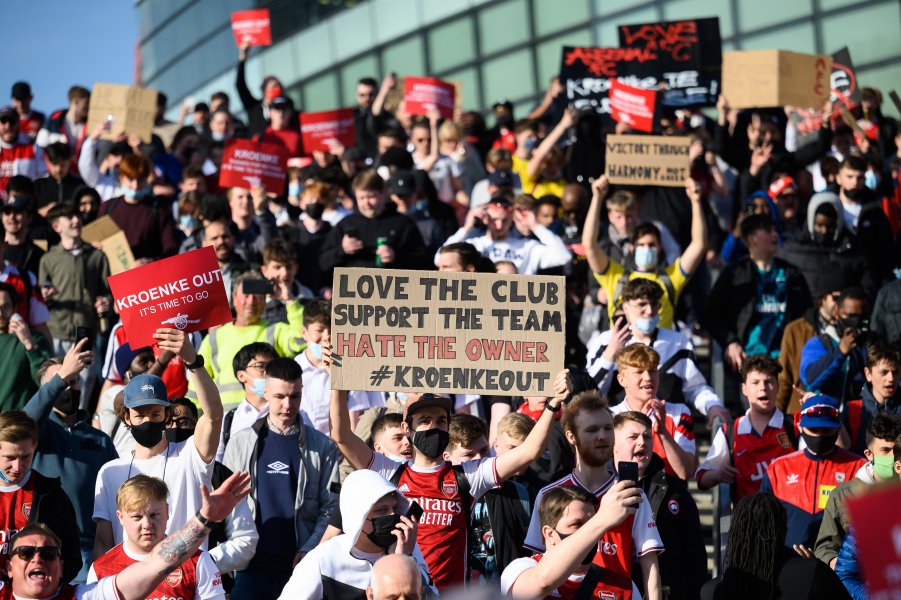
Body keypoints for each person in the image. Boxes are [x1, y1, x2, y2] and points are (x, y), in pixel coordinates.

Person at [330, 332, 572, 590]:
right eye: (424, 421)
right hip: (403, 593)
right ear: (407, 427)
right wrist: (339, 381)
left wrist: (552, 406)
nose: (434, 427)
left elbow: (529, 451)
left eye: (441, 421)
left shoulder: (468, 476)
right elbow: (341, 436)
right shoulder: (389, 471)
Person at [0, 470, 250, 600]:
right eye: (25, 552)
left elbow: (157, 563)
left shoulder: (86, 596)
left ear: (61, 565)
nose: (37, 559)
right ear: (9, 567)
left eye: (48, 553)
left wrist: (204, 519)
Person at [92, 328, 223, 559]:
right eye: (140, 414)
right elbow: (103, 544)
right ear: (127, 417)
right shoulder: (109, 472)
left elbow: (213, 415)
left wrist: (192, 359)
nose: (148, 420)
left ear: (167, 415)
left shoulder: (190, 456)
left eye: (155, 413)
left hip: (184, 582)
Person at [523, 391, 664, 600]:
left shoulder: (631, 493)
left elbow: (650, 567)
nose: (602, 436)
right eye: (592, 430)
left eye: (608, 428)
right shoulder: (549, 494)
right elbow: (535, 562)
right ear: (571, 436)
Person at [223, 358, 340, 599]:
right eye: (279, 397)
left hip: (301, 568)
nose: (288, 405)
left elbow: (331, 506)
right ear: (265, 391)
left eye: (295, 396)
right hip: (250, 568)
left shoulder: (323, 446)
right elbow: (227, 503)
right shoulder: (240, 442)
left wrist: (311, 548)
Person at [24, 344, 118, 582]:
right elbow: (22, 426)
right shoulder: (37, 433)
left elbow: (118, 494)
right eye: (60, 382)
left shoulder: (100, 439)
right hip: (39, 548)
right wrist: (63, 374)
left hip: (89, 552)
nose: (68, 387)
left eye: (73, 382)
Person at [703, 213, 812, 409]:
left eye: (775, 230)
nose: (775, 234)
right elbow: (710, 313)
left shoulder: (791, 274)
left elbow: (807, 316)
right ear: (752, 239)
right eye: (768, 230)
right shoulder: (734, 274)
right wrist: (729, 341)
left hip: (782, 365)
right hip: (747, 366)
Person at [586, 278, 730, 425]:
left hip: (669, 427)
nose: (649, 311)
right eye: (641, 304)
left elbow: (695, 387)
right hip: (621, 430)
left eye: (654, 304)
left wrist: (712, 405)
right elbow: (588, 393)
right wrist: (609, 355)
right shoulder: (604, 341)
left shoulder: (679, 342)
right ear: (625, 308)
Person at [278, 469, 432, 599]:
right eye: (382, 510)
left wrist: (402, 560)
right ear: (358, 516)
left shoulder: (406, 545)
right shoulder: (323, 560)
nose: (392, 515)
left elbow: (432, 595)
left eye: (395, 508)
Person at [583, 175, 707, 329]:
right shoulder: (615, 278)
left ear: (660, 247)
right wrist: (597, 198)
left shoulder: (671, 278)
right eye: (642, 244)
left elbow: (699, 244)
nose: (647, 248)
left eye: (651, 244)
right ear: (633, 247)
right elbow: (589, 245)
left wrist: (695, 201)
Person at [613, 411, 707, 600]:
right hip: (613, 590)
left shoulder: (674, 489)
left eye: (647, 437)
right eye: (633, 437)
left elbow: (694, 553)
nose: (642, 443)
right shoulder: (600, 487)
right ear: (613, 444)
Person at [88, 475, 225, 599]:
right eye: (137, 517)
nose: (147, 524)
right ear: (121, 517)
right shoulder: (100, 568)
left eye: (154, 515)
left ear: (167, 511)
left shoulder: (198, 560)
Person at [759, 394, 867, 550]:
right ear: (800, 426)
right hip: (789, 563)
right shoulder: (778, 469)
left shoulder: (859, 468)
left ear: (838, 429)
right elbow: (763, 523)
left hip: (838, 566)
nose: (819, 435)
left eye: (826, 430)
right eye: (814, 429)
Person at [501, 484, 646, 599]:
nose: (589, 532)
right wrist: (600, 520)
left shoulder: (624, 587)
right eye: (577, 525)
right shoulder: (519, 570)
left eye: (590, 523)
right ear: (549, 534)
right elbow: (542, 583)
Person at [700, 492, 851, 600]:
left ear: (734, 534)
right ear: (783, 532)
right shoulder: (810, 573)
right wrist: (814, 568)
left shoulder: (710, 592)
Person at [190, 271, 305, 407]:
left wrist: (289, 300)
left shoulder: (276, 330)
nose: (251, 301)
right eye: (246, 295)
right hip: (224, 420)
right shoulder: (215, 337)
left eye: (257, 296)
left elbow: (301, 340)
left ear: (264, 300)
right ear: (234, 297)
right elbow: (197, 382)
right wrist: (195, 415)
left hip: (266, 416)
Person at [443, 413, 531, 582]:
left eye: (484, 450)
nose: (480, 460)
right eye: (469, 455)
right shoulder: (437, 497)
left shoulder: (518, 493)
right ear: (447, 458)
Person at [696, 355, 797, 501]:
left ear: (778, 386)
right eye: (755, 382)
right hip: (749, 520)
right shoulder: (730, 431)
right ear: (744, 389)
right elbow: (701, 477)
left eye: (769, 381)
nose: (763, 387)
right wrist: (718, 474)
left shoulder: (795, 425)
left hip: (789, 518)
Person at [38, 203, 110, 406]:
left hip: (86, 332)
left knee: (84, 388)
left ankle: (79, 427)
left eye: (77, 215)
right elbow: (40, 297)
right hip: (56, 332)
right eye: (69, 217)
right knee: (55, 383)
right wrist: (45, 295)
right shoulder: (48, 259)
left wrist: (106, 303)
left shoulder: (97, 256)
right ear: (56, 226)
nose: (76, 220)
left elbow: (109, 291)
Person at [0, 410, 82, 582]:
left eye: (25, 457)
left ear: (35, 447)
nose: (17, 466)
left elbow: (71, 557)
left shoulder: (51, 494)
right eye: (9, 458)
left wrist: (45, 586)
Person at [814, 413, 901, 568]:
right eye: (886, 450)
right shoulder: (842, 496)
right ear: (869, 454)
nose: (894, 457)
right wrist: (842, 568)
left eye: (897, 450)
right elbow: (825, 547)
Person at [608, 344, 697, 481]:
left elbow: (685, 472)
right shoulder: (610, 417)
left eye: (653, 371)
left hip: (667, 497)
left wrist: (663, 433)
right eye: (639, 372)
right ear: (621, 380)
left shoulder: (678, 412)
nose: (648, 377)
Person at [294, 298, 382, 435]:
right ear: (304, 333)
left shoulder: (347, 370)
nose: (327, 337)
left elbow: (354, 420)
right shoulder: (294, 368)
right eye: (320, 330)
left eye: (331, 330)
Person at [319, 170, 430, 271]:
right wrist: (342, 250)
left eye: (371, 197)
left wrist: (396, 256)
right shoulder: (346, 224)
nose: (366, 203)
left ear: (383, 193)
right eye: (361, 198)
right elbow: (322, 263)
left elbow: (423, 262)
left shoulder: (403, 223)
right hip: (351, 291)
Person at [440, 195, 571, 275]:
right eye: (494, 219)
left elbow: (563, 257)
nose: (499, 226)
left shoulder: (528, 246)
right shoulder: (475, 245)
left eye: (504, 220)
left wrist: (535, 225)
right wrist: (467, 227)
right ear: (486, 218)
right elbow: (440, 258)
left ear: (512, 219)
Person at [97, 153, 180, 263]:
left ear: (146, 180)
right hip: (114, 274)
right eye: (130, 179)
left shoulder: (159, 209)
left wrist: (151, 261)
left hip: (148, 275)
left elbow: (171, 248)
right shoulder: (108, 208)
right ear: (121, 178)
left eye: (140, 180)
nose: (135, 185)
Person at [799, 287, 870, 403]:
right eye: (850, 316)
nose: (856, 322)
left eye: (861, 317)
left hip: (862, 417)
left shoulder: (872, 345)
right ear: (837, 312)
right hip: (829, 417)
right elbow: (810, 379)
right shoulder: (819, 343)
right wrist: (840, 351)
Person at [215, 342, 278, 462]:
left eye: (273, 366)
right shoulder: (228, 420)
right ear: (241, 375)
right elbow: (217, 465)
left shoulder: (293, 412)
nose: (269, 372)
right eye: (260, 366)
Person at [0, 282, 52, 411]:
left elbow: (46, 382)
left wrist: (29, 343)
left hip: (18, 424)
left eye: (5, 307)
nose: (0, 313)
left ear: (14, 308)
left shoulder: (35, 339)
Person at [842, 340, 901, 454]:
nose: (891, 378)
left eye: (895, 372)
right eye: (884, 372)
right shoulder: (853, 409)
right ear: (868, 374)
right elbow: (842, 451)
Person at [200, 219, 252, 306]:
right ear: (204, 244)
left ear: (233, 239)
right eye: (214, 238)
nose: (221, 241)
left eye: (225, 236)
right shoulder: (193, 278)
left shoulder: (250, 271)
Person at [0, 107, 45, 200]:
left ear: (19, 123)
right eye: (3, 121)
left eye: (12, 121)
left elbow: (43, 178)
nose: (8, 126)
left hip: (25, 205)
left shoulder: (33, 147)